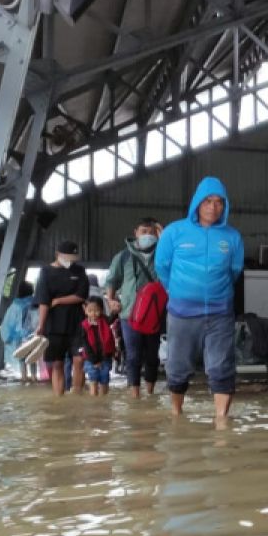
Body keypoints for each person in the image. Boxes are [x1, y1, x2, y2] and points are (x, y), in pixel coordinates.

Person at [156, 177, 245, 420]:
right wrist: (178, 292)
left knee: (221, 366)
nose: (213, 207)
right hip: (182, 314)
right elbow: (162, 267)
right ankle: (176, 413)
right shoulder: (174, 232)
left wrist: (218, 292)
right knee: (177, 367)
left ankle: (221, 421)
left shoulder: (233, 237)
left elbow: (235, 271)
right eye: (208, 201)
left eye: (219, 202)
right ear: (197, 202)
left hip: (220, 313)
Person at [105, 216, 163, 398]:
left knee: (152, 356)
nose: (148, 235)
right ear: (135, 233)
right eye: (144, 231)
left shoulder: (164, 254)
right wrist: (110, 300)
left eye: (152, 232)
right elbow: (112, 281)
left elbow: (177, 264)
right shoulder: (123, 257)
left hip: (155, 314)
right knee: (133, 355)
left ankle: (150, 392)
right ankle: (135, 395)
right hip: (129, 314)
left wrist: (164, 237)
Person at [34, 240, 90, 396]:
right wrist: (41, 325)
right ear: (58, 255)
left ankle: (76, 394)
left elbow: (81, 295)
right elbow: (44, 301)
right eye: (68, 257)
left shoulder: (79, 271)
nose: (71, 261)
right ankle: (59, 398)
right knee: (57, 364)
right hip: (54, 325)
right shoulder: (46, 272)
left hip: (77, 323)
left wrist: (58, 300)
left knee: (79, 360)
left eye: (74, 258)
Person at [1, 281, 39, 380]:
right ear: (31, 291)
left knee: (22, 359)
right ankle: (34, 377)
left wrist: (8, 337)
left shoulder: (15, 305)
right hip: (33, 335)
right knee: (33, 358)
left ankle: (24, 377)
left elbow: (9, 322)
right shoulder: (35, 304)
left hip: (19, 337)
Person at [77, 297, 115, 396]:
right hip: (90, 359)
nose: (93, 314)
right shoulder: (84, 325)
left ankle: (103, 403)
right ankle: (94, 404)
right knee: (93, 381)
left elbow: (112, 318)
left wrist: (115, 311)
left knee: (105, 380)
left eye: (97, 311)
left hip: (105, 358)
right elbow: (86, 345)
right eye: (90, 311)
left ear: (101, 310)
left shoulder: (105, 320)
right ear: (85, 310)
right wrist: (94, 361)